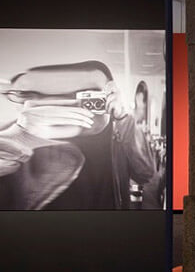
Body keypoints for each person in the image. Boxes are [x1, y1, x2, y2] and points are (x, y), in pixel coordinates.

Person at [0, 61, 155, 210]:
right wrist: (22, 137)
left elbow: (145, 174)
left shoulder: (119, 132)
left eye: (91, 94)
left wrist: (123, 117)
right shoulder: (22, 132)